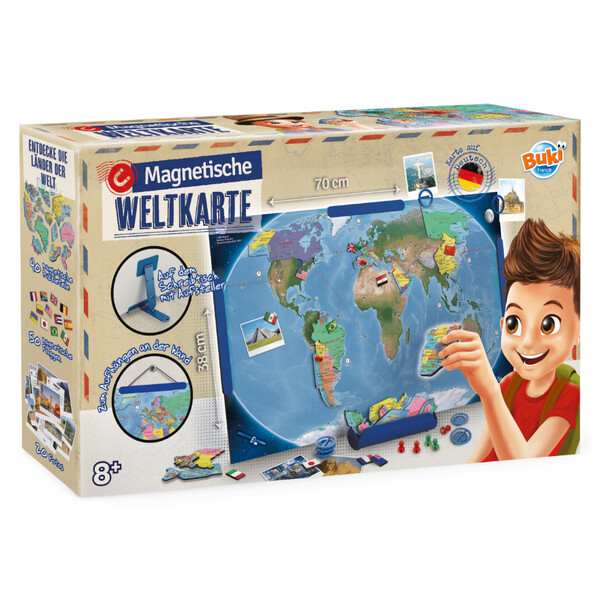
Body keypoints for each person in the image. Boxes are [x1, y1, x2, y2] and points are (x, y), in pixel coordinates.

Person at [439, 219, 580, 461]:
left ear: (579, 330)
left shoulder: (568, 396)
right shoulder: (508, 385)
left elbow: (523, 465)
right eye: (515, 323)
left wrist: (490, 393)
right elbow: (480, 455)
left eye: (548, 325)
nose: (527, 342)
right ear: (504, 325)